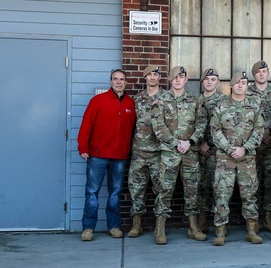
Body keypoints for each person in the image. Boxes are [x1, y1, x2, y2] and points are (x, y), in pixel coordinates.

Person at [150, 65, 207, 244]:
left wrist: (189, 142)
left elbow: (201, 124)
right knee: (165, 189)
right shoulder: (161, 100)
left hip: (190, 152)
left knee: (192, 189)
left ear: (186, 80)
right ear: (170, 80)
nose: (178, 80)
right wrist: (176, 143)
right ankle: (160, 228)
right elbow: (158, 126)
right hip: (169, 153)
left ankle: (193, 226)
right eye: (175, 77)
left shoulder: (195, 100)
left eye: (181, 77)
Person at [77, 69, 136, 241]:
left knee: (115, 192)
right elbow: (86, 125)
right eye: (115, 79)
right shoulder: (98, 101)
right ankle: (88, 228)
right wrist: (83, 147)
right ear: (110, 82)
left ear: (126, 82)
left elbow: (133, 130)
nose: (118, 82)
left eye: (122, 79)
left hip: (119, 157)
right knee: (92, 191)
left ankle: (114, 226)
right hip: (97, 155)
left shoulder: (130, 104)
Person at [210, 71, 265, 246]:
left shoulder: (254, 106)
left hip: (246, 158)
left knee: (249, 194)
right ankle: (220, 230)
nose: (241, 85)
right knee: (222, 194)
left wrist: (244, 149)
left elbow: (259, 130)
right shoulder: (221, 106)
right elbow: (215, 130)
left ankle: (251, 230)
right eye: (238, 82)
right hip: (225, 159)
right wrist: (228, 148)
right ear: (231, 86)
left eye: (244, 82)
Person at [127, 65, 164, 238]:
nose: (152, 77)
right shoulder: (137, 99)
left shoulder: (166, 98)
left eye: (155, 74)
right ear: (145, 77)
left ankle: (159, 226)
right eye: (149, 74)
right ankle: (137, 224)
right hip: (139, 151)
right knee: (136, 189)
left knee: (161, 189)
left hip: (158, 152)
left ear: (159, 77)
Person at [249, 60, 271, 234]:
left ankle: (269, 218)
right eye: (258, 72)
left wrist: (270, 131)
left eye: (264, 71)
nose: (261, 74)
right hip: (252, 147)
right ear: (254, 75)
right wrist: (258, 134)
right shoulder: (246, 94)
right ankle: (253, 220)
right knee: (251, 183)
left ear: (268, 73)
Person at [197, 68, 225, 237]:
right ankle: (202, 220)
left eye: (213, 79)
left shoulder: (223, 101)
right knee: (201, 186)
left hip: (217, 151)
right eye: (207, 79)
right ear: (202, 82)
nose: (209, 82)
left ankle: (218, 223)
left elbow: (226, 127)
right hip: (197, 150)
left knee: (218, 187)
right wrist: (200, 143)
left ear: (218, 82)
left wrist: (209, 143)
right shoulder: (195, 101)